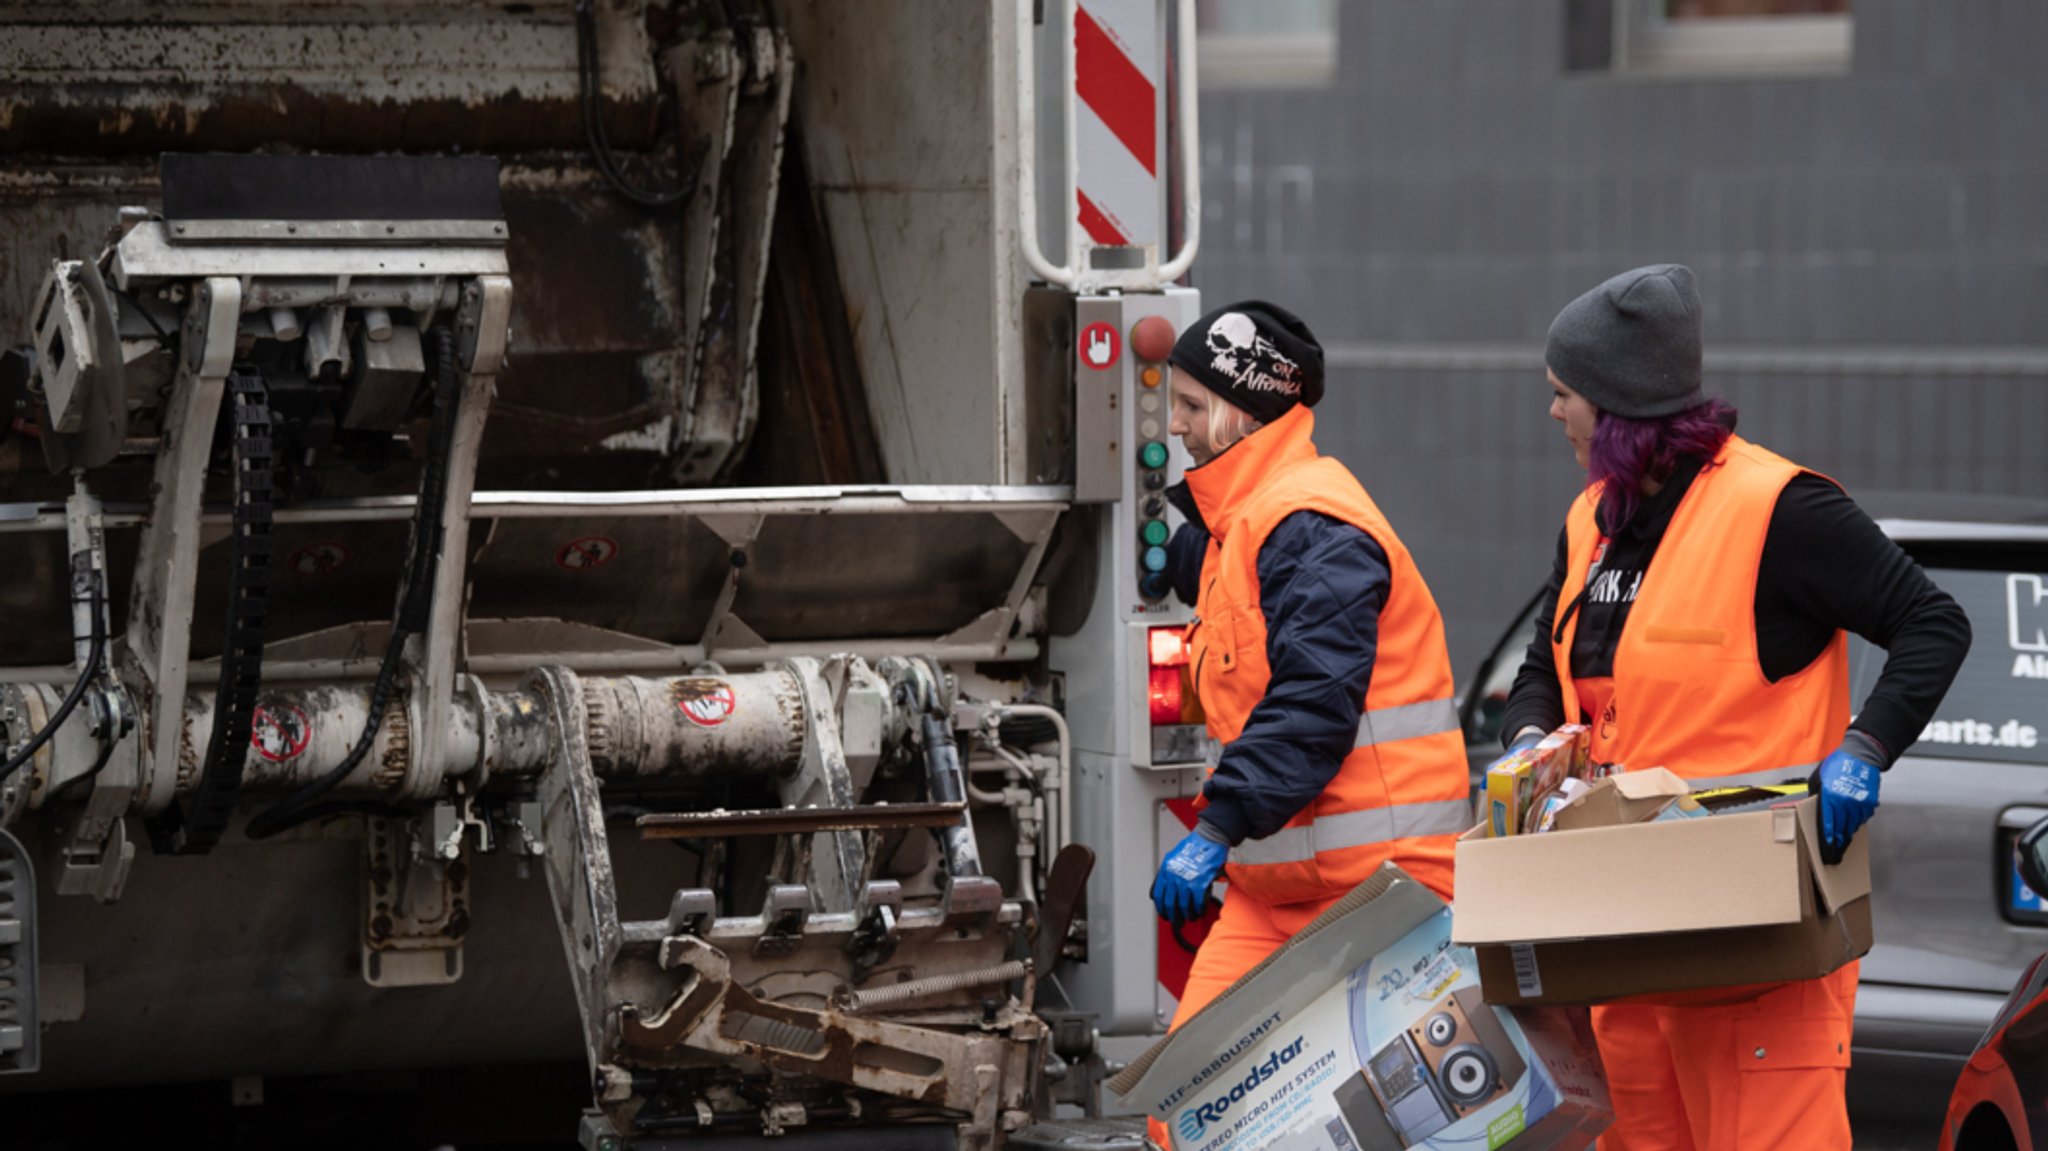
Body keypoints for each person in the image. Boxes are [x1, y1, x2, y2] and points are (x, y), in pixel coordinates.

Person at [1493, 264, 1971, 1150]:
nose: (1553, 413)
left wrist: (1865, 747)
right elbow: (1540, 668)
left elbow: (1932, 622)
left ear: (1616, 401)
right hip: (1630, 947)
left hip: (1760, 953)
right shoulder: (1592, 520)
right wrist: (1530, 739)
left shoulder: (1777, 509)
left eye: (1564, 395)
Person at [1145, 301, 1472, 1147]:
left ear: (1239, 411)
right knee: (1184, 1111)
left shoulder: (1314, 524)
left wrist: (1215, 827)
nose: (1174, 427)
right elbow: (1225, 584)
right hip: (1279, 891)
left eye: (1188, 407)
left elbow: (1312, 700)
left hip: (1381, 894)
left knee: (1373, 1128)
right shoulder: (1247, 526)